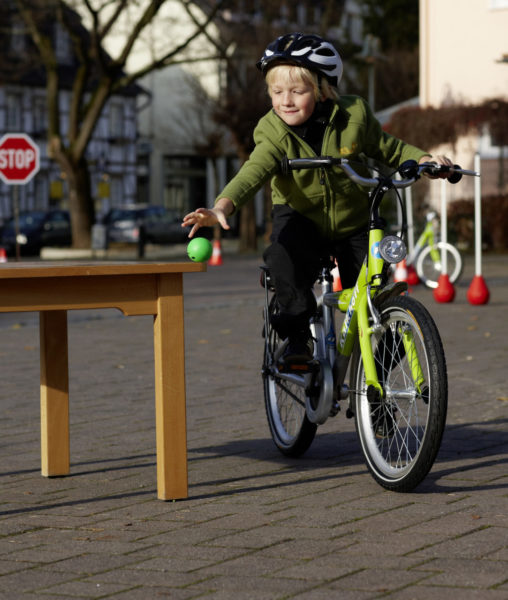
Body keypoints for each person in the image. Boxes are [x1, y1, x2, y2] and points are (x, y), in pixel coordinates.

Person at [182, 32, 453, 368]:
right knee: (284, 259)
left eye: (297, 91)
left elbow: (390, 149)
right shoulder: (272, 132)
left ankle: (378, 371)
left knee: (372, 291)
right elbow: (252, 172)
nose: (286, 100)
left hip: (354, 219)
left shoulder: (353, 116)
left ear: (323, 90)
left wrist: (425, 160)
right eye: (276, 92)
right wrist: (221, 206)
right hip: (300, 217)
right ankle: (297, 339)